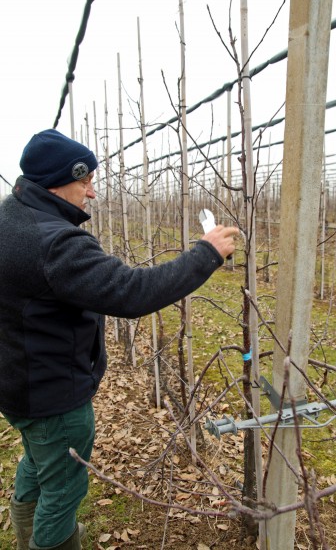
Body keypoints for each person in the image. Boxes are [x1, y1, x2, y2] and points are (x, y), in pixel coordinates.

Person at [0, 129, 238, 550]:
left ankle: (25, 533)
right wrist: (206, 253)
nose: (91, 194)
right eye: (85, 182)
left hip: (17, 383)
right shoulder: (55, 243)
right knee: (63, 491)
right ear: (58, 181)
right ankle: (49, 542)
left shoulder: (8, 217)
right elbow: (133, 291)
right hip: (52, 394)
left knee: (38, 462)